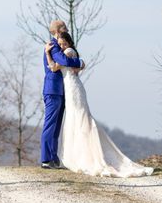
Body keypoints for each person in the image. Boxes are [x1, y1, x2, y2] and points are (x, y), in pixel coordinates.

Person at [45, 32, 154, 178]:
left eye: (64, 43)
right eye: (60, 44)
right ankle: (79, 155)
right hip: (69, 90)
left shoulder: (68, 52)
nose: (62, 46)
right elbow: (53, 68)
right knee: (73, 120)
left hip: (74, 88)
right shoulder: (64, 54)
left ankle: (89, 156)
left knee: (82, 119)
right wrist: (47, 52)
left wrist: (78, 62)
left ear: (69, 43)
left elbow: (63, 63)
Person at [40, 20, 84, 169]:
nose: (67, 30)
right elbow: (64, 60)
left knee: (57, 126)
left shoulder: (60, 46)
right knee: (50, 124)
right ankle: (46, 158)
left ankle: (53, 157)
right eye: (65, 28)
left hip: (62, 92)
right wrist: (81, 62)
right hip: (53, 91)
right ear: (58, 31)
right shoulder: (53, 47)